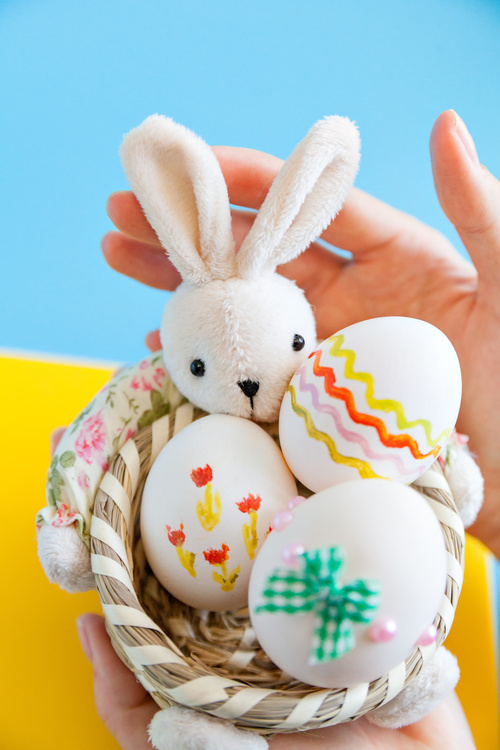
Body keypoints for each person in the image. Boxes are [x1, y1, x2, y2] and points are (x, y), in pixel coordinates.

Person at [77, 109, 500, 748]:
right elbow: (102, 427)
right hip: (208, 607)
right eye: (195, 365)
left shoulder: (340, 445)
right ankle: (224, 717)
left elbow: (409, 467)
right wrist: (71, 505)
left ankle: (395, 680)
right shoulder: (184, 417)